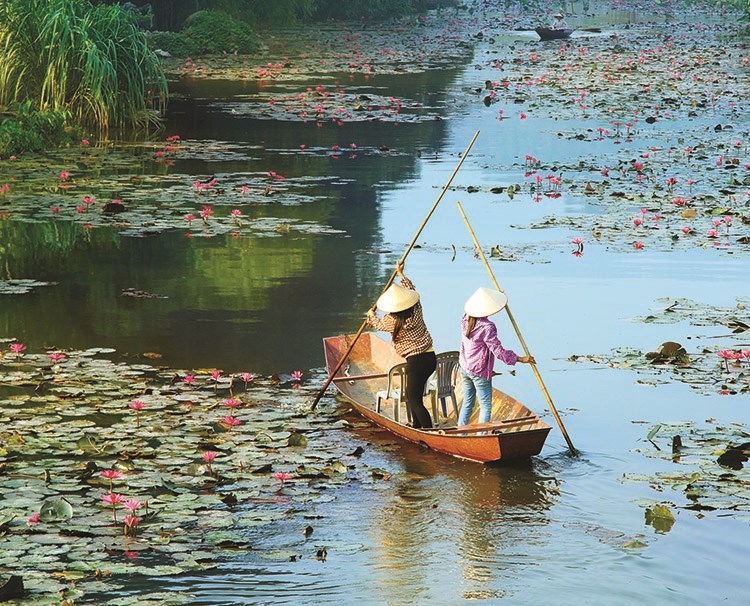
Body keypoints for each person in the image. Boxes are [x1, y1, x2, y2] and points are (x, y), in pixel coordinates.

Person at [366, 261, 436, 429]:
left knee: (414, 399)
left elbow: (376, 323)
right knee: (413, 396)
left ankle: (428, 431)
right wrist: (401, 274)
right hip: (430, 358)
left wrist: (370, 314)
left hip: (416, 362)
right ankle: (417, 427)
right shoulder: (417, 310)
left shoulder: (391, 320)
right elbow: (412, 291)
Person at [457, 287, 534, 427]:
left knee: (468, 402)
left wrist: (499, 298)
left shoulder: (465, 319)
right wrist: (521, 359)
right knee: (486, 406)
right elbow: (498, 351)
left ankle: (461, 430)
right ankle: (482, 435)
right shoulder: (487, 327)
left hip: (464, 367)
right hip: (479, 371)